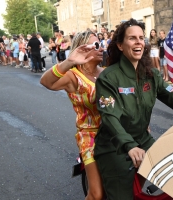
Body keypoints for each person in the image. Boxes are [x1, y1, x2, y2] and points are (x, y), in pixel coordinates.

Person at [94, 18, 173, 199]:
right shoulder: (109, 78)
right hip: (115, 146)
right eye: (132, 38)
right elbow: (110, 117)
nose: (138, 42)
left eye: (141, 38)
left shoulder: (150, 74)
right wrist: (129, 146)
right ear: (120, 45)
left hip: (142, 139)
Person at [40, 30, 104, 200]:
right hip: (90, 136)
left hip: (113, 131)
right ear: (82, 49)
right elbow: (46, 82)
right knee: (97, 194)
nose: (102, 48)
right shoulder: (73, 76)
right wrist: (69, 61)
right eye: (96, 45)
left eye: (102, 44)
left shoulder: (106, 72)